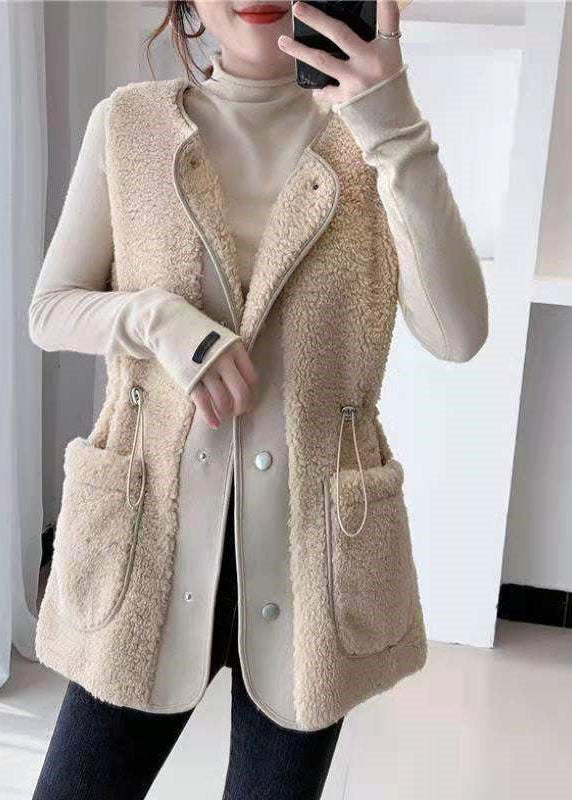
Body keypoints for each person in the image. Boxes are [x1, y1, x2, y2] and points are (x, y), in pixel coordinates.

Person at [29, 2, 488, 798]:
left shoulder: (373, 140)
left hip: (314, 564)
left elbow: (458, 334)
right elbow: (50, 310)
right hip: (145, 547)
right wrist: (157, 319)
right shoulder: (129, 124)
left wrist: (391, 121)